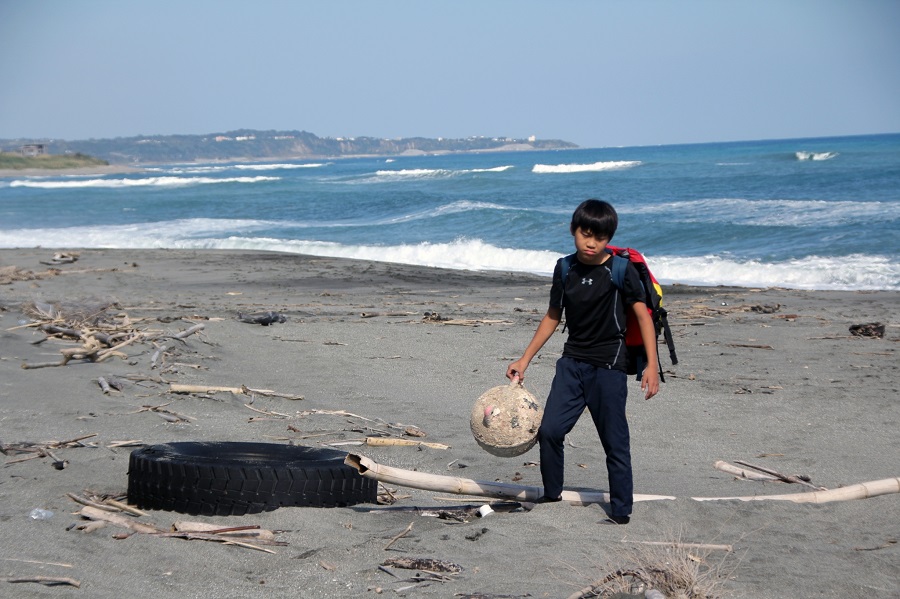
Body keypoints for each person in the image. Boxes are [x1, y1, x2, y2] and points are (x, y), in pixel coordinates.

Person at [506, 199, 659, 524]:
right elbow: (552, 316)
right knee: (549, 430)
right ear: (574, 231)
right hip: (572, 363)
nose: (591, 243)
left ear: (608, 238)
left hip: (609, 366)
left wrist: (652, 366)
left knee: (614, 441)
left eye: (600, 237)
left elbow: (643, 318)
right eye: (585, 234)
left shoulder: (621, 270)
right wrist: (525, 358)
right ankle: (551, 494)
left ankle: (620, 511)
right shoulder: (565, 268)